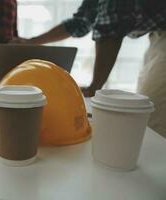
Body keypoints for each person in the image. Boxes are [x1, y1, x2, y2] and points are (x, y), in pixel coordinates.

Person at [12, 0, 166, 136]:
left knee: (153, 124)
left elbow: (110, 28)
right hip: (157, 35)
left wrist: (95, 86)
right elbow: (81, 20)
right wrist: (33, 42)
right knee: (149, 112)